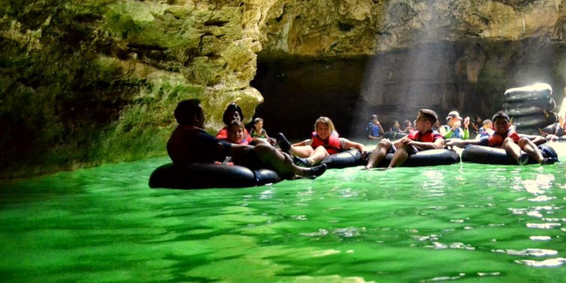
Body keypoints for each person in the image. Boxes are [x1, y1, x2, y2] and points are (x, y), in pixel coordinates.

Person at [166, 99, 326, 179]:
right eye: (202, 115)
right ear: (195, 117)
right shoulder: (195, 135)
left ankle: (290, 159)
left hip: (207, 164)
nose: (204, 119)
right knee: (261, 147)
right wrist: (253, 149)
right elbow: (224, 148)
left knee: (258, 142)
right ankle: (299, 171)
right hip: (215, 168)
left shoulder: (178, 135)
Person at [447, 111, 552, 164]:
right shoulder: (488, 139)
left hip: (522, 151)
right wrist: (453, 142)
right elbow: (469, 143)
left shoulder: (516, 136)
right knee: (508, 140)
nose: (501, 125)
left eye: (504, 123)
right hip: (502, 154)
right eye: (498, 123)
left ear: (509, 124)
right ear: (493, 126)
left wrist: (521, 146)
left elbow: (541, 139)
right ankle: (520, 159)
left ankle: (542, 160)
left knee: (523, 140)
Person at [364, 109, 445, 169]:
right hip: (404, 149)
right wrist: (371, 150)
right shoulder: (414, 134)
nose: (415, 121)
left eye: (418, 119)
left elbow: (436, 146)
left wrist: (413, 143)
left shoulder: (436, 136)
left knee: (406, 144)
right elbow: (395, 144)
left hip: (416, 151)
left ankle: (390, 168)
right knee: (385, 141)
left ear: (427, 123)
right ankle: (369, 166)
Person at [282, 117, 365, 167]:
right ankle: (291, 151)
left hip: (329, 158)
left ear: (331, 130)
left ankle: (309, 162)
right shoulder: (311, 141)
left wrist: (363, 151)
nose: (323, 131)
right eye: (320, 129)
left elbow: (358, 145)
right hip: (313, 155)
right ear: (316, 131)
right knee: (308, 147)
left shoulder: (341, 141)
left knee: (320, 148)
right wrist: (284, 149)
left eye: (326, 129)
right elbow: (296, 145)